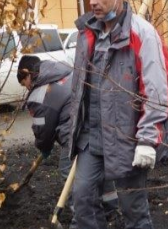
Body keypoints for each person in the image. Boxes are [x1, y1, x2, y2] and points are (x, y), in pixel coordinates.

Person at [64, 0, 168, 229]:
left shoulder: (141, 33)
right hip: (91, 136)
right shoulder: (88, 33)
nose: (92, 2)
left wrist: (148, 139)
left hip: (127, 137)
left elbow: (157, 89)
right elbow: (80, 85)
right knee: (81, 198)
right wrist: (71, 127)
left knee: (132, 205)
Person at [17, 55, 119, 217]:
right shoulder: (64, 69)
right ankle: (110, 205)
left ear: (27, 74)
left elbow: (43, 131)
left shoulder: (39, 94)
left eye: (25, 83)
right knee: (100, 163)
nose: (27, 87)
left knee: (68, 168)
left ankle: (82, 215)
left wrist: (44, 147)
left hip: (76, 132)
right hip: (99, 123)